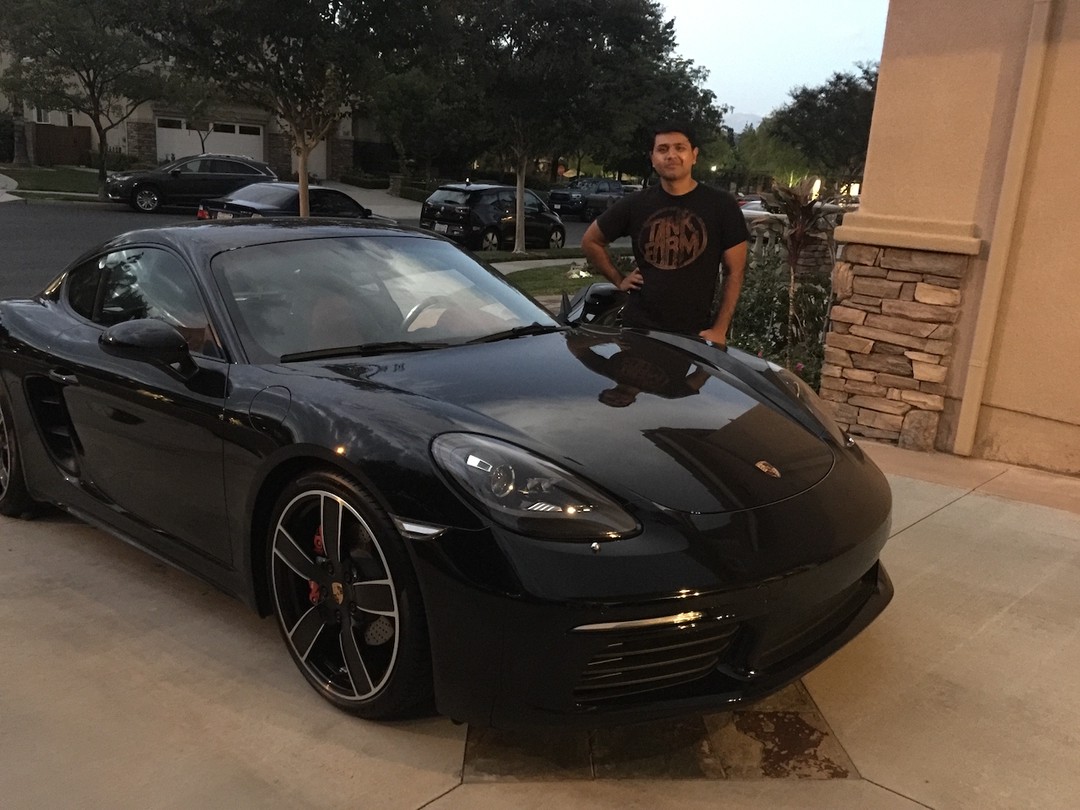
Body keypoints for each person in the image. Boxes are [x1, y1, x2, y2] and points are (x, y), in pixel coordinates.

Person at [581, 124, 749, 346]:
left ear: (693, 156)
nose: (671, 155)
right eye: (663, 149)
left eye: (680, 148)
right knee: (633, 383)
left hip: (694, 334)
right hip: (637, 331)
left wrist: (719, 329)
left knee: (688, 384)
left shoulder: (721, 205)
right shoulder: (635, 204)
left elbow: (734, 272)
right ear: (652, 158)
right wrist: (619, 279)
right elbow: (591, 241)